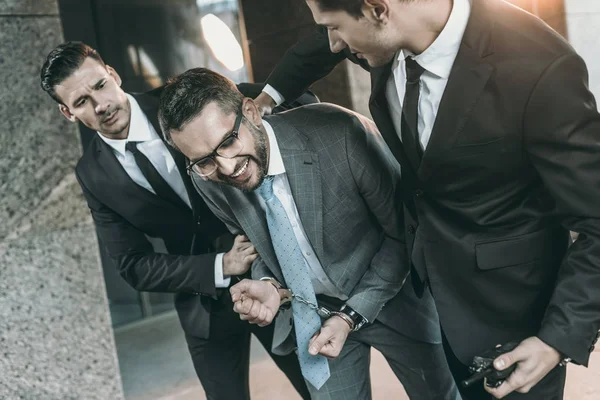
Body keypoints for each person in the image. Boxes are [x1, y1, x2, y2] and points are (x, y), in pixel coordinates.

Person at [254, 0, 600, 399]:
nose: (333, 45)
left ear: (377, 10)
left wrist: (557, 339)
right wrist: (268, 97)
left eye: (334, 28)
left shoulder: (538, 67)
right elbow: (320, 47)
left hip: (514, 313)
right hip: (437, 292)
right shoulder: (390, 36)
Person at [158, 67, 459, 400]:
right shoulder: (207, 181)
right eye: (204, 161)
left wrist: (351, 315)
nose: (227, 167)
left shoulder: (341, 133)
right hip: (315, 317)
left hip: (399, 299)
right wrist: (270, 284)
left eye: (228, 142)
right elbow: (256, 243)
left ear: (251, 111)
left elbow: (405, 233)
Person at [39, 42, 310, 400]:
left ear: (113, 75)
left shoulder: (178, 99)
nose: (100, 105)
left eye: (100, 86)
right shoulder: (92, 175)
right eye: (81, 102)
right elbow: (134, 266)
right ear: (67, 112)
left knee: (318, 387)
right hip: (204, 302)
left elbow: (276, 100)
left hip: (271, 278)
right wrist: (220, 265)